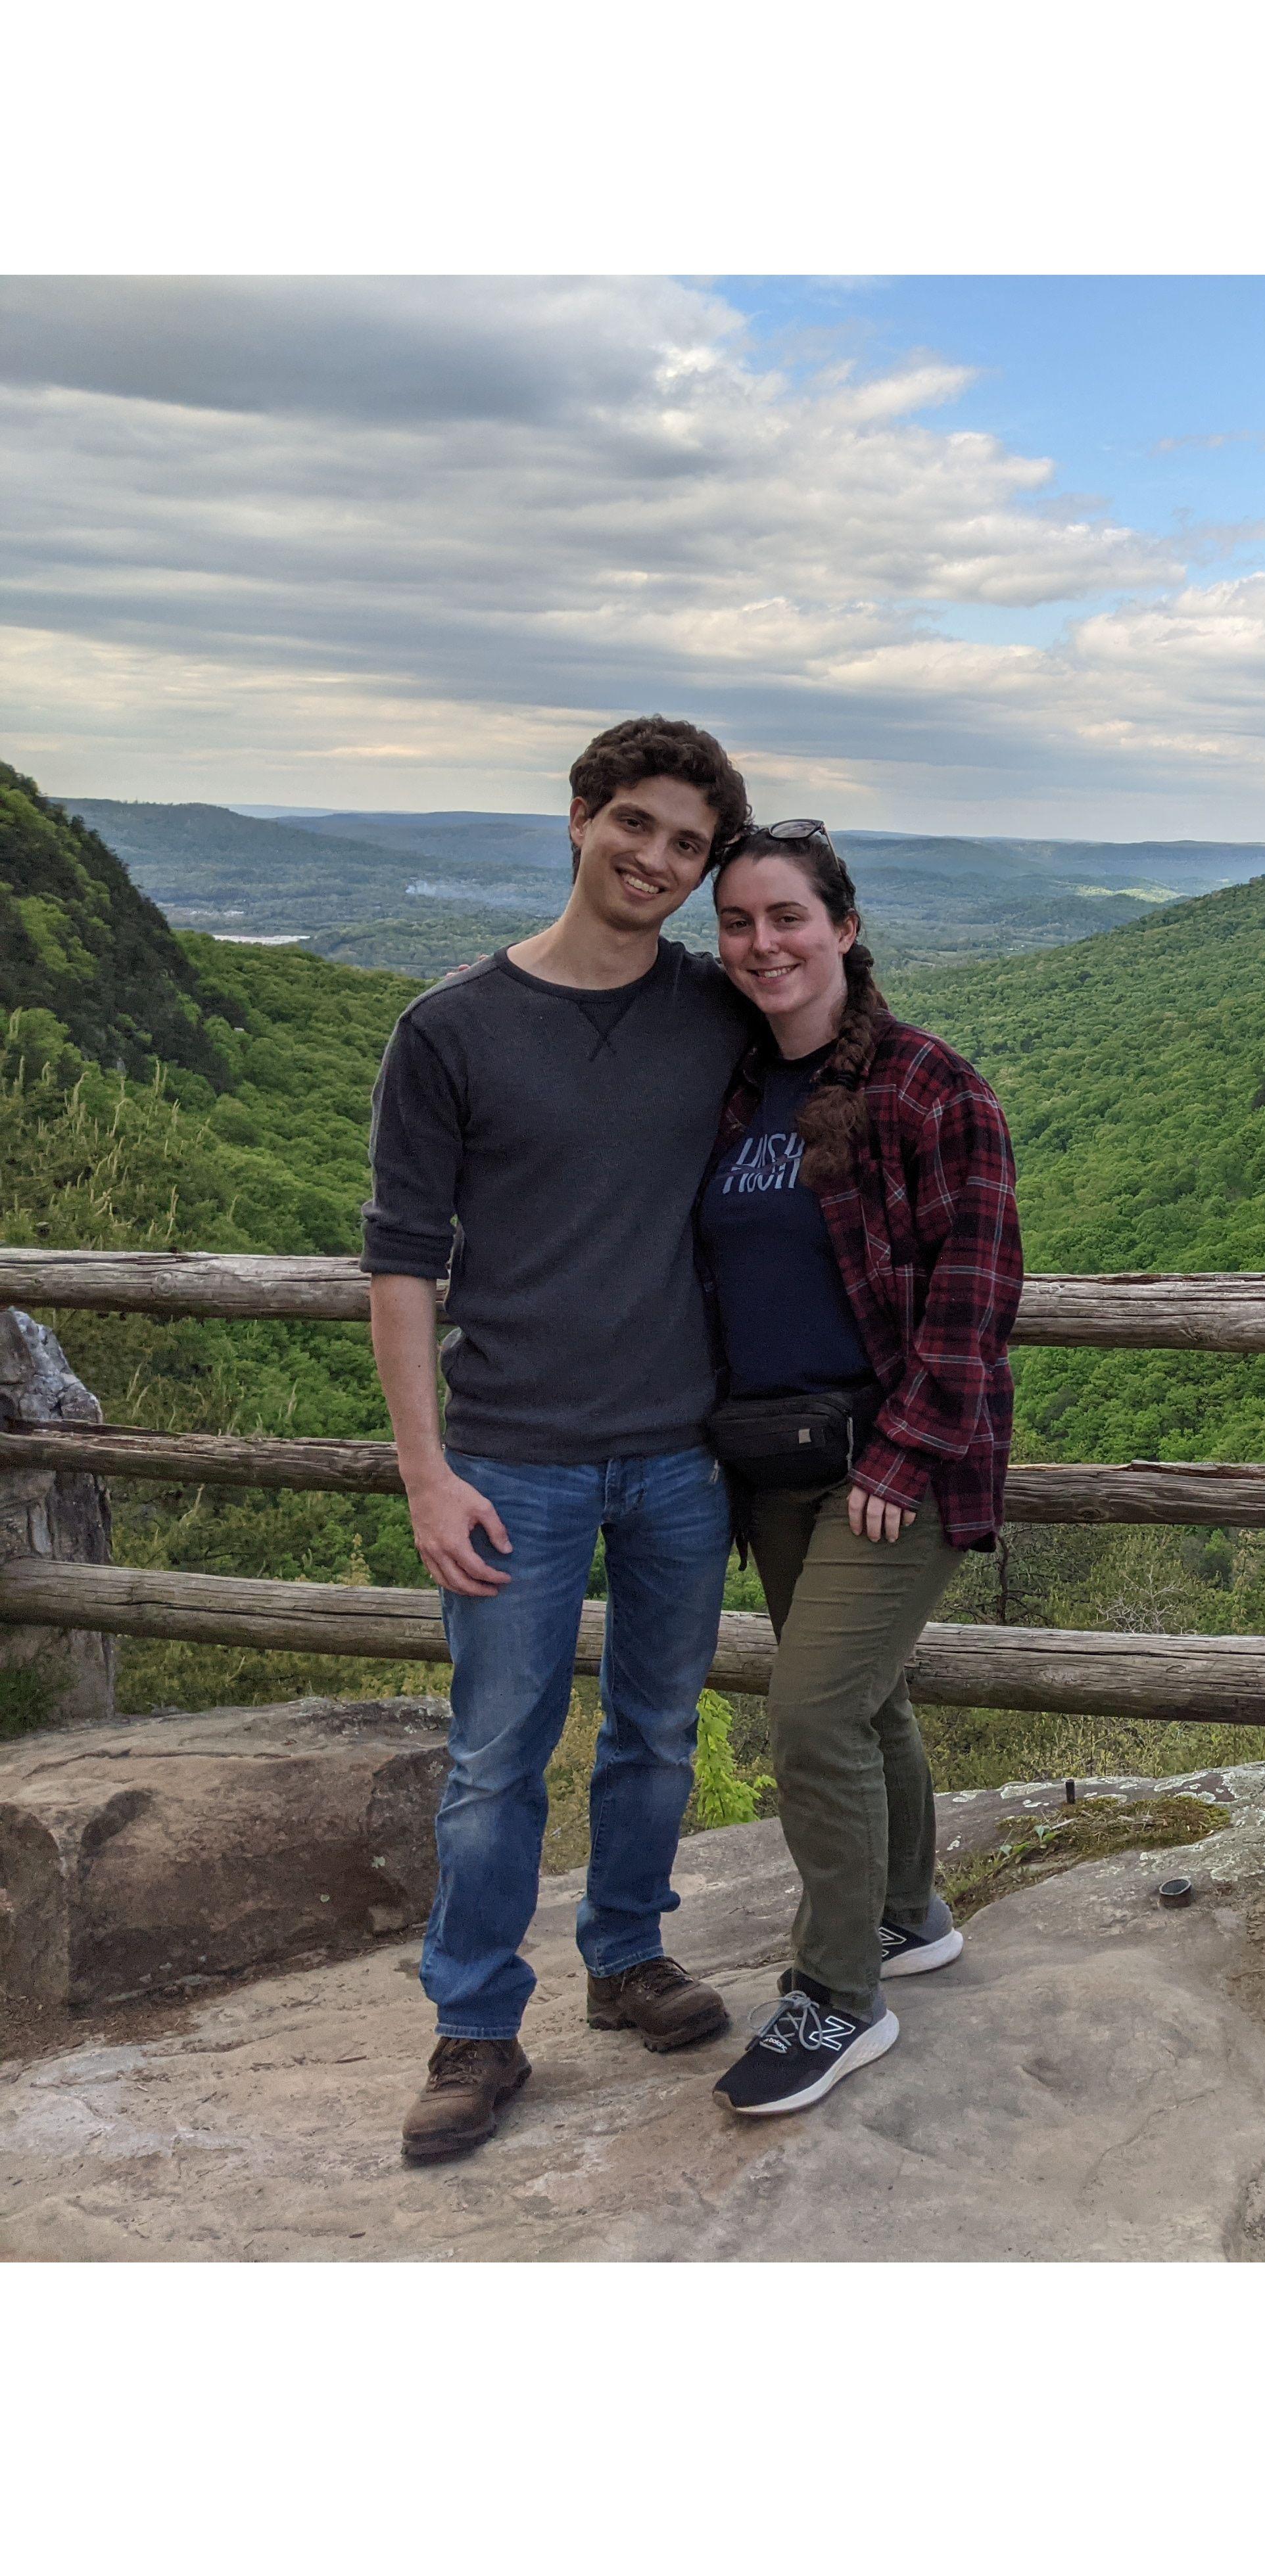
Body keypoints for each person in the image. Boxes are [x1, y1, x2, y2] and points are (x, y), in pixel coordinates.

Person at [364, 716, 758, 2163]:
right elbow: (401, 1260)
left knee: (656, 1740)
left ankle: (626, 1957)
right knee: (494, 1760)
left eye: (688, 846)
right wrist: (427, 1470)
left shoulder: (717, 1012)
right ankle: (474, 2027)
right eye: (637, 825)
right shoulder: (451, 1029)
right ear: (580, 816)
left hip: (678, 1456)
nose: (658, 860)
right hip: (511, 1458)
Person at [696, 822, 1022, 2118]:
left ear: (842, 926)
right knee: (867, 1698)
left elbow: (975, 1291)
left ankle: (837, 1995)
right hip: (770, 1456)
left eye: (786, 917)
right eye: (736, 923)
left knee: (814, 1708)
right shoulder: (732, 1091)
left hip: (897, 1460)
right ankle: (906, 1914)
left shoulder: (927, 1085)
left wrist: (902, 1452)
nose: (761, 944)